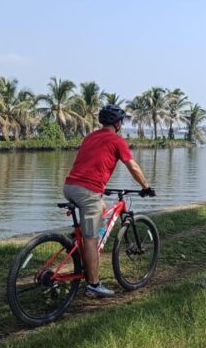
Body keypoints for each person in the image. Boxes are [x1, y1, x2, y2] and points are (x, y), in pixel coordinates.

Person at [63, 104, 154, 298]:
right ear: (118, 123)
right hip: (87, 192)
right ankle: (94, 285)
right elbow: (133, 166)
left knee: (102, 206)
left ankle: (77, 237)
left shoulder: (90, 137)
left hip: (70, 187)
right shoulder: (116, 140)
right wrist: (146, 186)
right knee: (91, 239)